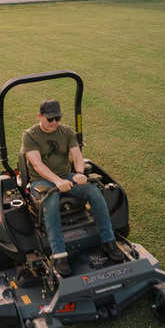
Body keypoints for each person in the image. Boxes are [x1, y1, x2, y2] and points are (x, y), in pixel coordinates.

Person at [21, 99, 123, 277]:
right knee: (50, 201)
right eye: (50, 119)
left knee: (93, 191)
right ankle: (59, 254)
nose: (54, 123)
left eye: (57, 119)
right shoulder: (30, 135)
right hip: (41, 181)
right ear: (39, 116)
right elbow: (37, 165)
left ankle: (108, 240)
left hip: (66, 176)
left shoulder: (66, 131)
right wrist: (57, 181)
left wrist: (79, 173)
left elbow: (77, 155)